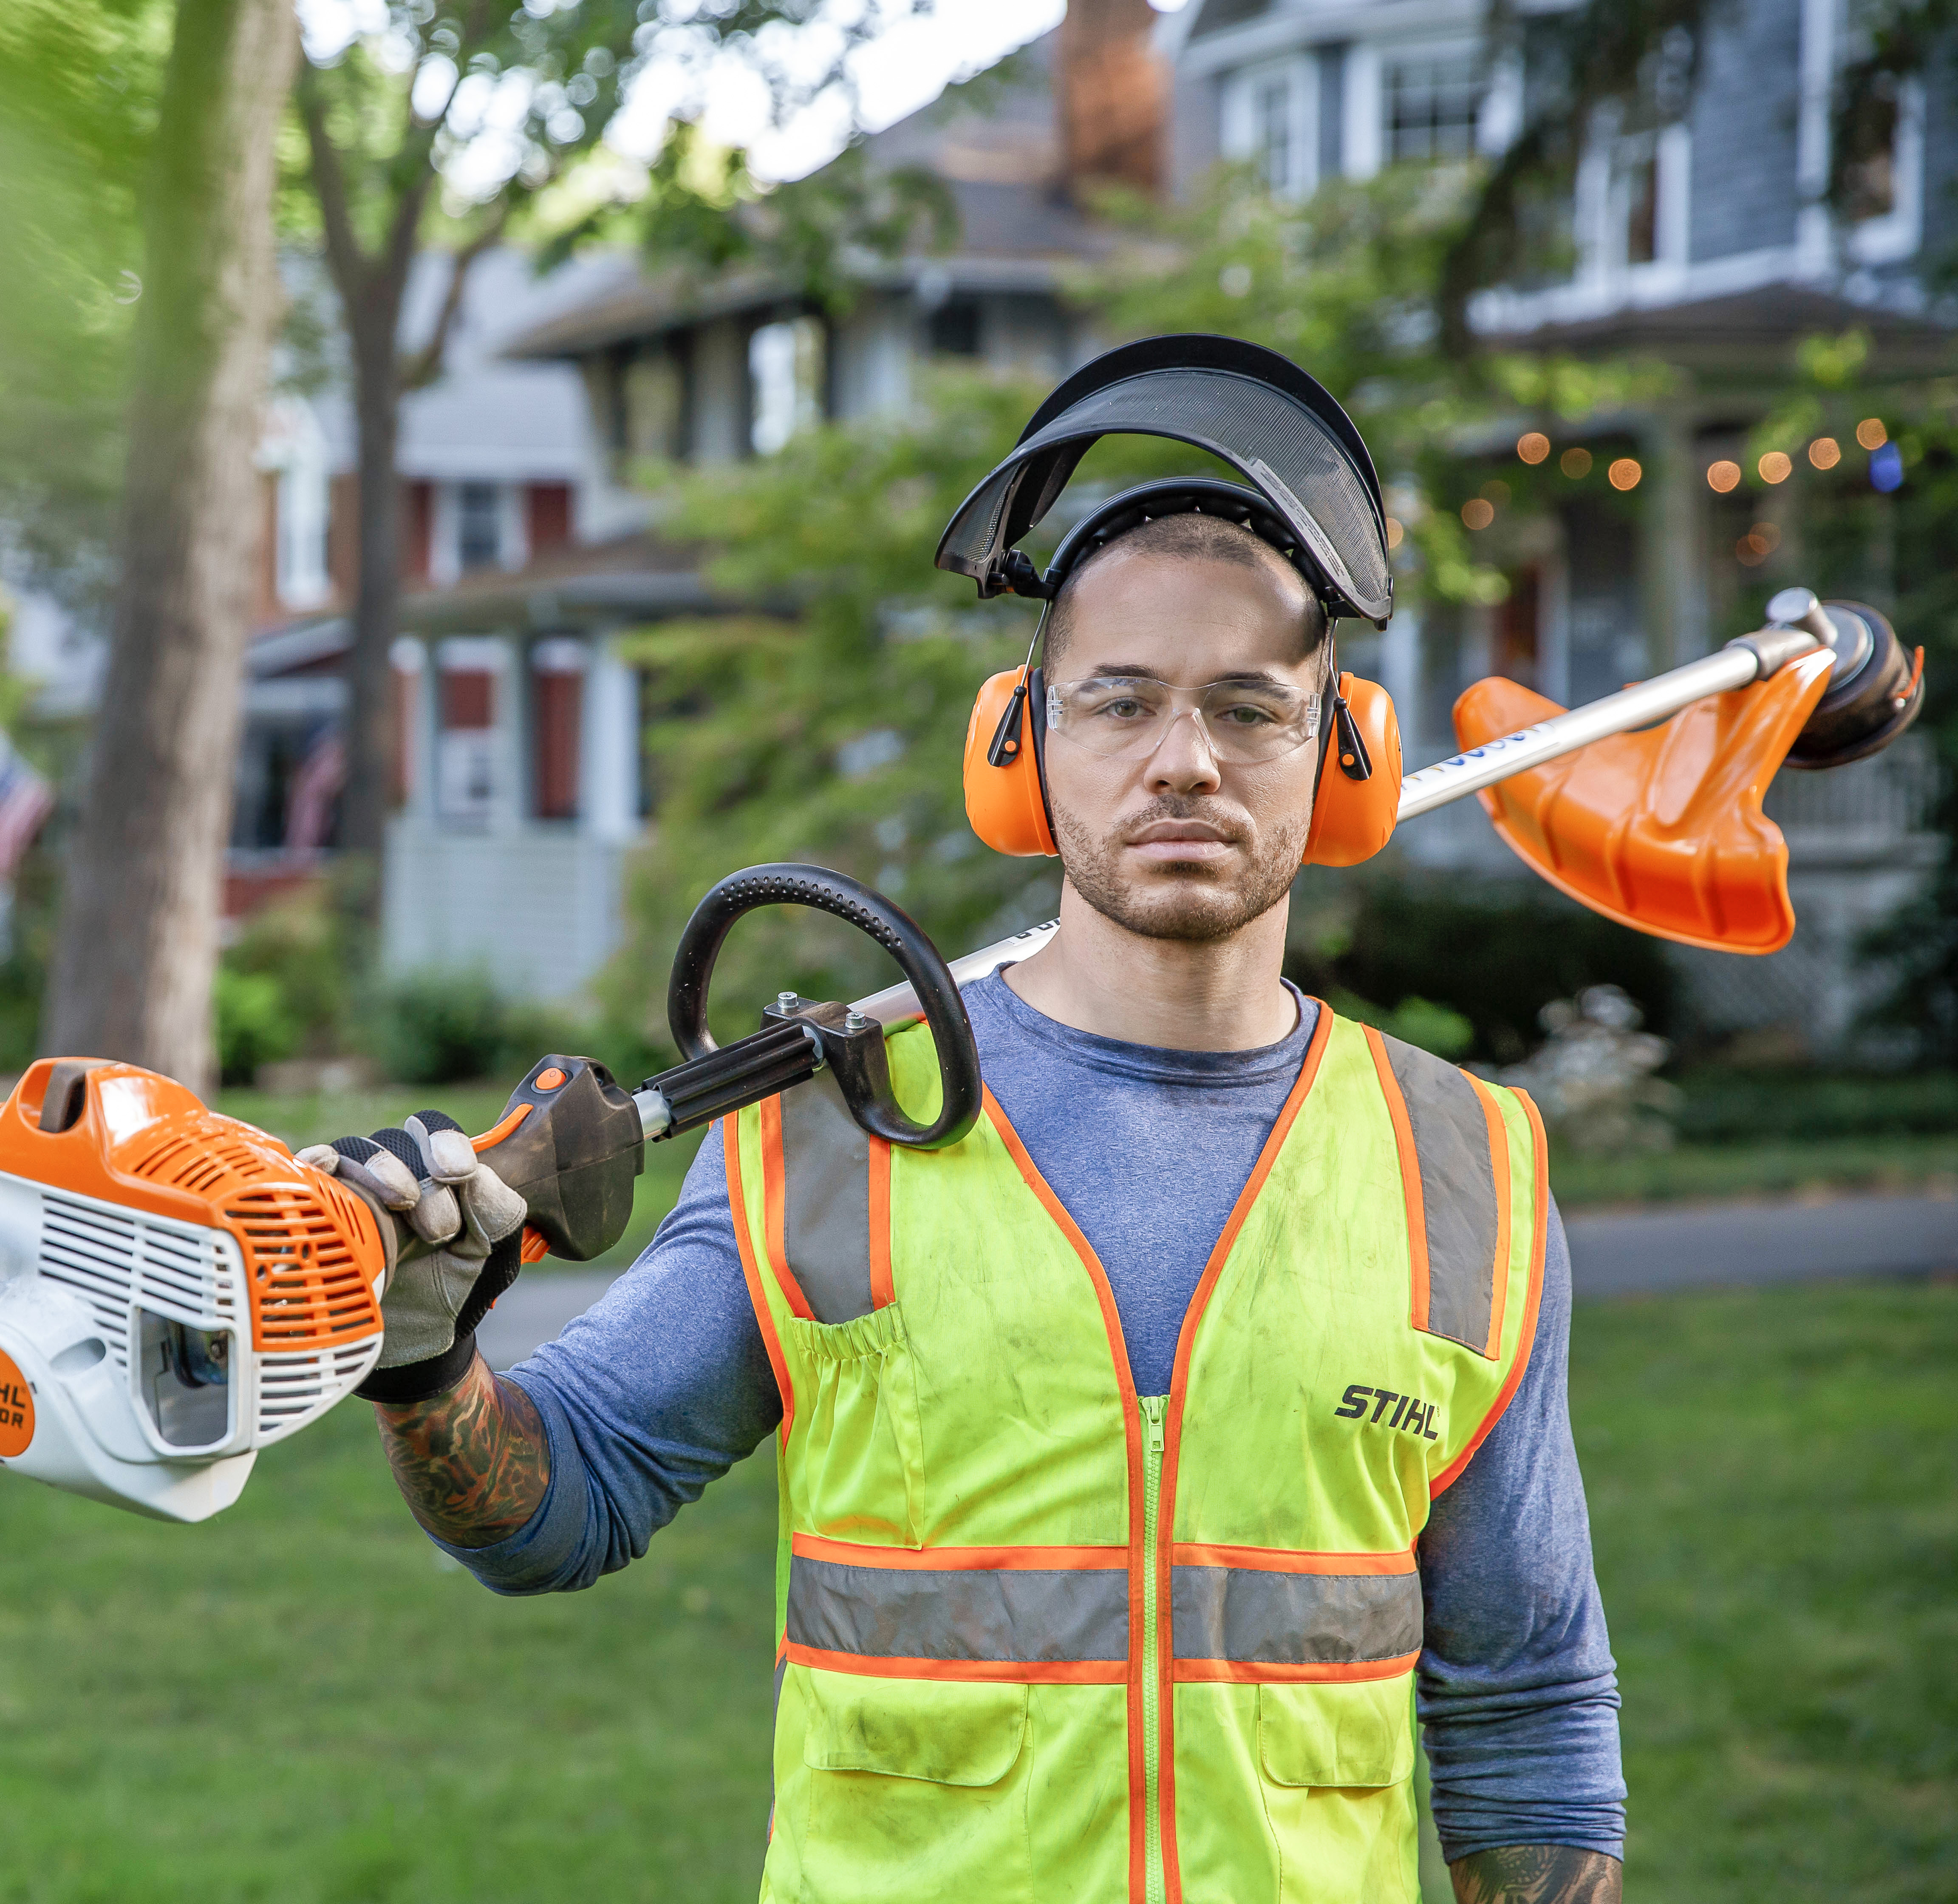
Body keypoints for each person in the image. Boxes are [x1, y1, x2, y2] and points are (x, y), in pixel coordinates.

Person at [308, 404, 1624, 1904]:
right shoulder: (826, 1133)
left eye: (1249, 709)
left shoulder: (1466, 1163)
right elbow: (565, 1505)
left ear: (1344, 755)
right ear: (1022, 747)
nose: (1184, 761)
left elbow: (1530, 1708)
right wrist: (423, 1374)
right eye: (1120, 703)